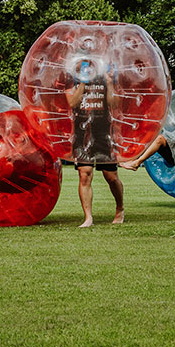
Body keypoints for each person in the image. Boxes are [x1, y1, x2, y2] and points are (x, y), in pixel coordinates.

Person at [66, 59, 123, 227]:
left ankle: (120, 208)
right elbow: (72, 103)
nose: (85, 67)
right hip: (81, 132)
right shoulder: (73, 81)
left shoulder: (105, 78)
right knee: (85, 174)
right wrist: (83, 82)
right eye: (81, 65)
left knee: (111, 176)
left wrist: (109, 83)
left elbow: (114, 104)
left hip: (103, 131)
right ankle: (88, 218)